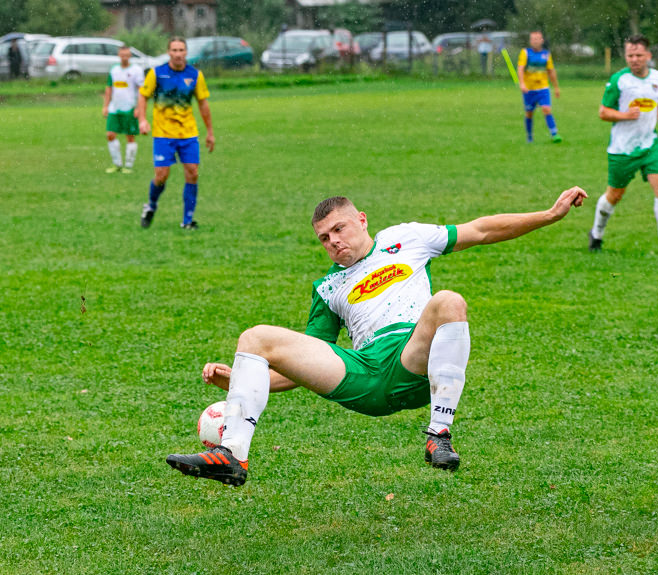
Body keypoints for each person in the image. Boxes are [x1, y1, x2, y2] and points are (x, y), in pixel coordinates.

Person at [166, 188, 589, 485]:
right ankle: (231, 456)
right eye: (324, 238)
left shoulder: (405, 238)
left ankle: (438, 437)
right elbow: (307, 367)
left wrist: (549, 215)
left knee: (448, 300)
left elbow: (480, 230)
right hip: (366, 375)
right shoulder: (327, 288)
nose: (334, 241)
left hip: (415, 357)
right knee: (255, 338)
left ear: (361, 219)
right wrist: (237, 382)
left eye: (340, 229)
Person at [590, 34, 658, 254]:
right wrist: (625, 115)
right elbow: (603, 112)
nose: (634, 59)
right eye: (630, 55)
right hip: (622, 149)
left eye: (638, 55)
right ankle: (596, 233)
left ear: (648, 56)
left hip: (650, 145)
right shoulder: (619, 81)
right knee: (614, 195)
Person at [137, 37, 215, 230]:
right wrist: (142, 120)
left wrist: (210, 133)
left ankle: (187, 221)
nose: (178, 54)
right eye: (174, 50)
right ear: (168, 52)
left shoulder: (195, 75)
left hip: (188, 133)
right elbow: (143, 96)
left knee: (193, 173)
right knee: (162, 175)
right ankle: (151, 205)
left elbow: (203, 104)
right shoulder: (157, 73)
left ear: (186, 53)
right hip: (163, 133)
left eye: (181, 50)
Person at [103, 45, 145, 174]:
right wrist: (105, 106)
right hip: (114, 108)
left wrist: (138, 108)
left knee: (130, 137)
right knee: (110, 134)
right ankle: (117, 164)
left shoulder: (137, 70)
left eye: (127, 55)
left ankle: (128, 165)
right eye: (122, 55)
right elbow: (109, 88)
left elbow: (141, 90)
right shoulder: (114, 70)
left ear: (130, 56)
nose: (124, 57)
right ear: (119, 55)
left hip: (130, 108)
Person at [517, 31, 562, 143]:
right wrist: (522, 83)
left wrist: (556, 87)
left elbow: (551, 71)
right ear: (530, 41)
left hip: (543, 88)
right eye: (533, 39)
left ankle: (554, 134)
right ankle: (529, 137)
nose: (535, 41)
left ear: (542, 40)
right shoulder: (525, 53)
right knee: (529, 113)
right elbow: (520, 68)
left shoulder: (546, 54)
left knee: (546, 109)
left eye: (537, 39)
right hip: (529, 89)